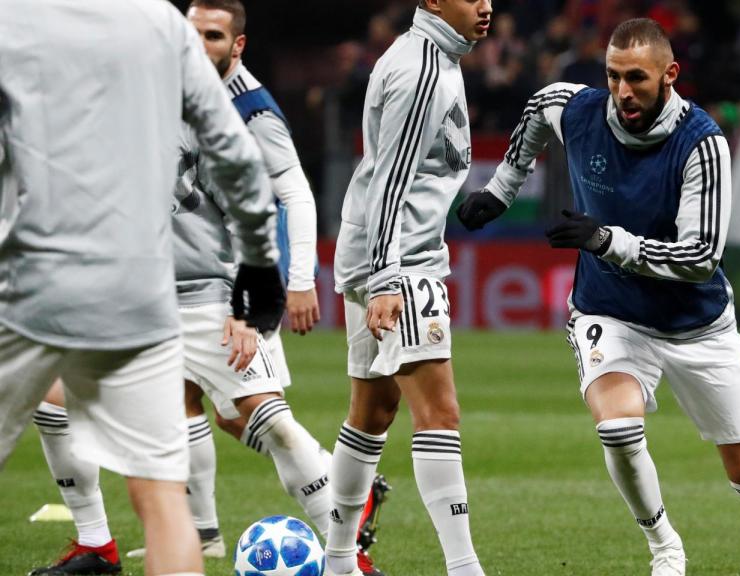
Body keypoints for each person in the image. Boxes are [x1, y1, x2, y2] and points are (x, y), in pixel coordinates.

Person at [25, 2, 384, 574]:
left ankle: (347, 544)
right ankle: (104, 544)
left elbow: (283, 198)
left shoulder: (248, 112)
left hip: (213, 294)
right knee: (62, 401)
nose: (197, 45)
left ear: (237, 45)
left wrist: (281, 287)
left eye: (213, 36)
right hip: (146, 294)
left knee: (262, 418)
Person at [457, 18, 740, 576]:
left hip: (697, 324)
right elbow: (540, 105)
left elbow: (700, 259)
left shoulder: (702, 144)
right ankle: (664, 545)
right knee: (616, 427)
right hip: (610, 310)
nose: (622, 91)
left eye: (636, 78)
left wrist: (606, 240)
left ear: (670, 74)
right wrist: (501, 188)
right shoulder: (581, 110)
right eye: (613, 76)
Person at [0, 0, 284, 575]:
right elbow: (230, 149)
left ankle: (95, 539)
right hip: (140, 292)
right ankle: (96, 541)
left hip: (33, 282)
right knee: (161, 500)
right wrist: (259, 260)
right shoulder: (160, 24)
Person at [326, 1, 492, 575]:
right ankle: (464, 568)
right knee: (439, 413)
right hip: (401, 261)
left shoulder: (432, 55)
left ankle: (339, 562)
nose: (486, 5)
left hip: (378, 256)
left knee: (371, 411)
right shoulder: (422, 67)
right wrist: (386, 277)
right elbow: (390, 180)